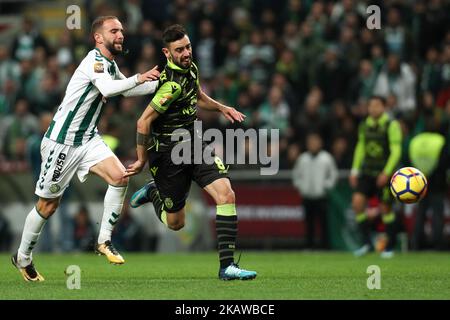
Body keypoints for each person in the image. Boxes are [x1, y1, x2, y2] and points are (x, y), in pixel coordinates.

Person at [11, 16, 161, 282]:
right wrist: (139, 77)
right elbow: (109, 88)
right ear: (98, 38)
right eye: (114, 31)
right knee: (47, 206)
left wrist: (161, 83)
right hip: (62, 143)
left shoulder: (110, 64)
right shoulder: (93, 61)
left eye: (122, 31)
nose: (121, 35)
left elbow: (125, 91)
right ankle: (22, 257)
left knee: (119, 177)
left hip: (88, 139)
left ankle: (103, 241)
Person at [125, 24, 257, 280]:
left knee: (226, 195)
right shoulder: (169, 86)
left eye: (187, 47)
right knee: (176, 224)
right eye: (179, 50)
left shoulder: (191, 69)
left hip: (195, 145)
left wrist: (221, 107)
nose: (186, 53)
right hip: (167, 155)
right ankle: (154, 192)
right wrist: (141, 158)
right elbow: (143, 121)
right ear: (167, 53)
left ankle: (227, 267)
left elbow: (195, 95)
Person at [349, 96, 402, 258]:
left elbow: (396, 150)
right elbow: (360, 147)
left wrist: (387, 172)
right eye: (371, 106)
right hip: (367, 172)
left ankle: (390, 246)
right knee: (357, 203)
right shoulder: (364, 125)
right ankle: (366, 243)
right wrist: (354, 170)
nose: (373, 109)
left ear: (384, 107)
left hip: (384, 173)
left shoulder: (391, 125)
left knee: (386, 208)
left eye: (377, 105)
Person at [292, 132, 338, 249]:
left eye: (315, 142)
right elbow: (296, 175)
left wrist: (326, 186)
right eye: (310, 142)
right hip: (307, 196)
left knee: (324, 224)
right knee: (309, 224)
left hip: (321, 196)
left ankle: (325, 247)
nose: (313, 145)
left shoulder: (326, 158)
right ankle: (309, 246)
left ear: (320, 143)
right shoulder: (303, 159)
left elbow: (333, 175)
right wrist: (301, 187)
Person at [409, 120, 449, 250]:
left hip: (419, 182)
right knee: (437, 213)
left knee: (420, 213)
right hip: (437, 183)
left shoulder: (415, 141)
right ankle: (438, 244)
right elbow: (445, 161)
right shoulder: (440, 141)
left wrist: (422, 173)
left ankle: (416, 243)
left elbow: (409, 160)